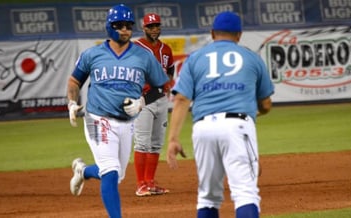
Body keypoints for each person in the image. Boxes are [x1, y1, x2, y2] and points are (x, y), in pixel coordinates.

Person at [166, 11, 274, 218]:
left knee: (207, 197)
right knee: (245, 194)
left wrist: (173, 139)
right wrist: (258, 109)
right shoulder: (251, 57)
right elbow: (266, 104)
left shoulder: (195, 58)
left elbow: (181, 99)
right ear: (239, 35)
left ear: (213, 33)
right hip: (237, 125)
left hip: (203, 127)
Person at [67, 4, 169, 218]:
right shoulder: (92, 54)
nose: (124, 29)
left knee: (116, 175)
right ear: (109, 27)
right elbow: (75, 81)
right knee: (111, 171)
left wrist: (142, 101)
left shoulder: (143, 56)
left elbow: (162, 85)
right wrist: (71, 102)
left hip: (127, 122)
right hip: (97, 118)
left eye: (128, 25)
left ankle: (83, 171)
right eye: (119, 25)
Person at [132, 13, 175, 197]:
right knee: (142, 143)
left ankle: (150, 182)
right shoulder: (136, 47)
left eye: (157, 25)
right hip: (144, 101)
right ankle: (140, 184)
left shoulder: (166, 49)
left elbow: (171, 71)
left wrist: (167, 84)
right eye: (150, 26)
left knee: (156, 143)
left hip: (162, 99)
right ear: (144, 28)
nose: (154, 29)